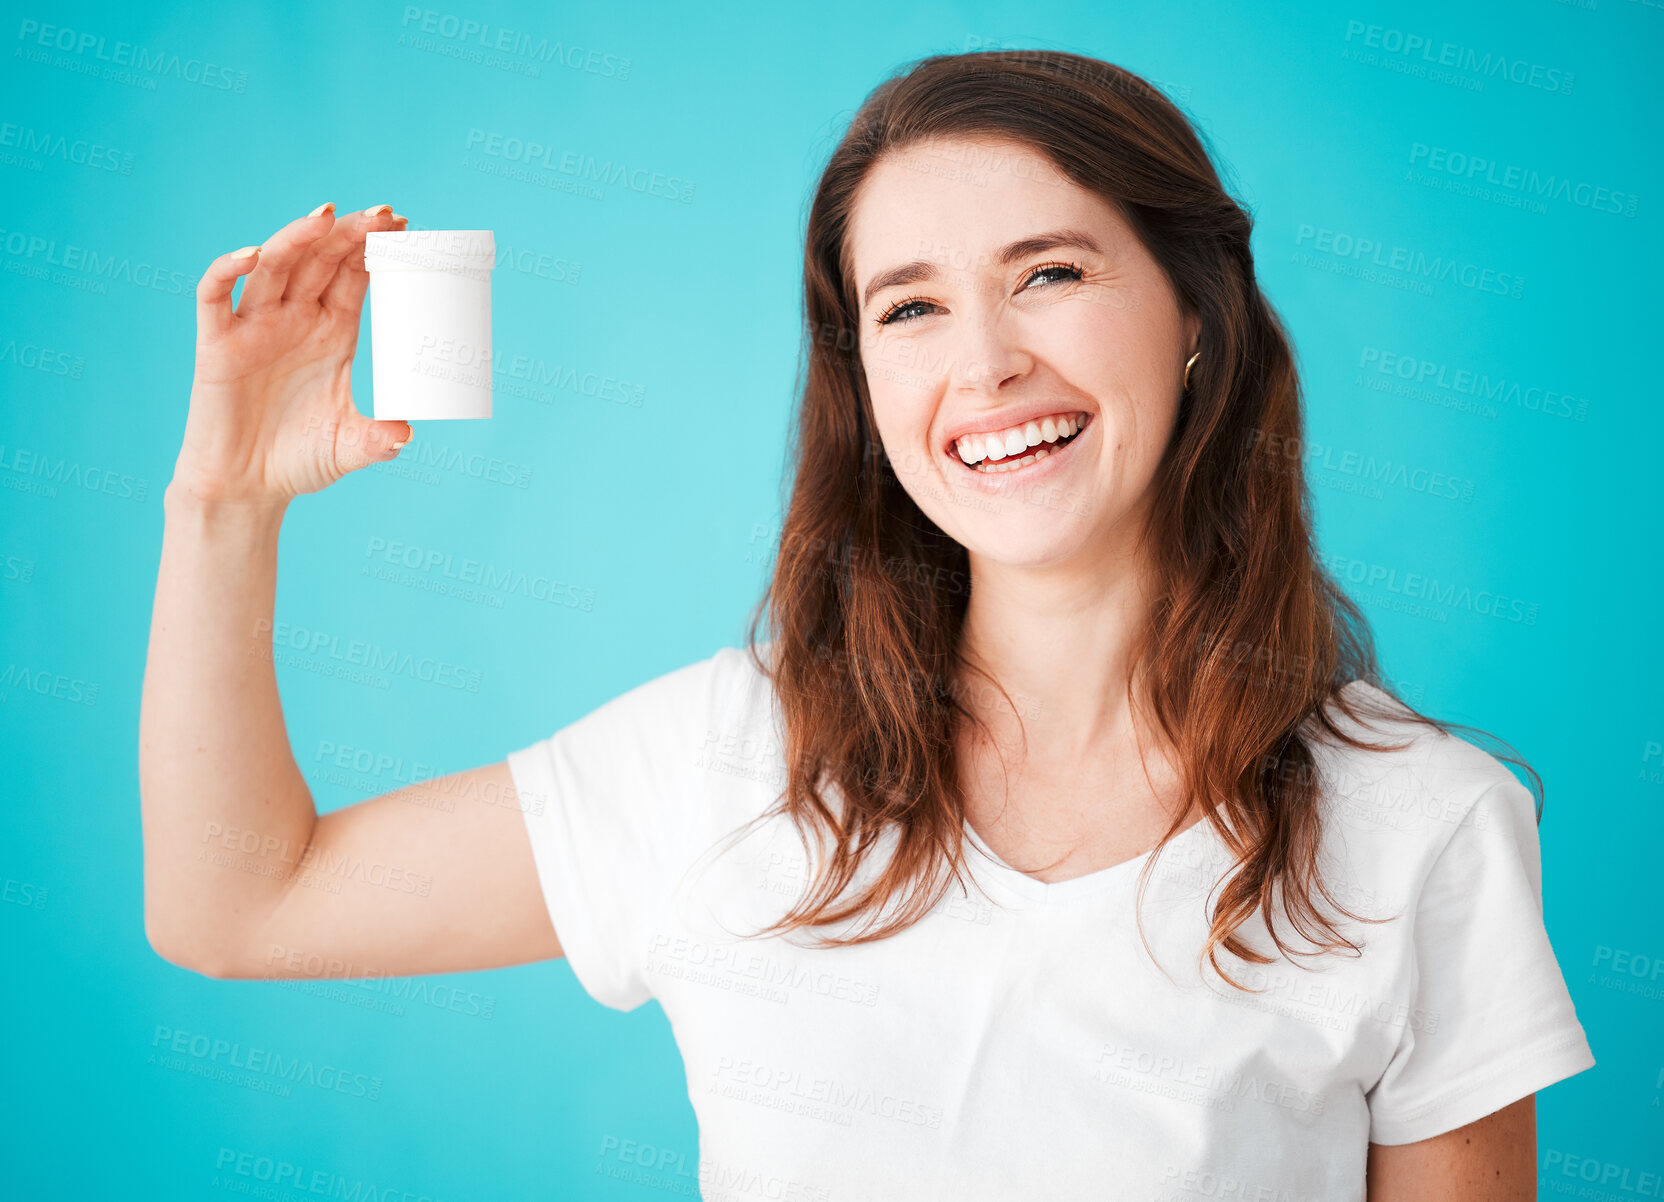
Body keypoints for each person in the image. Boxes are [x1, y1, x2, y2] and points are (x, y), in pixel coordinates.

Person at [140, 50, 1592, 1201]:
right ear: (865, 380)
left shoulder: (1424, 825)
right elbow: (236, 903)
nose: (987, 363)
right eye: (908, 308)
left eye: (1052, 273)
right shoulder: (723, 758)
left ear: (1195, 309)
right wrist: (225, 497)